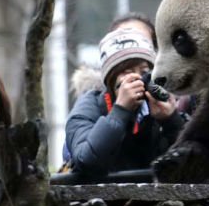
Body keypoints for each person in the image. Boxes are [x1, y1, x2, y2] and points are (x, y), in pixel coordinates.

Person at [64, 28, 187, 180]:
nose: (137, 78)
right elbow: (87, 161)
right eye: (127, 72)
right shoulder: (89, 107)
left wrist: (171, 121)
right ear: (111, 80)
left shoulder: (156, 107)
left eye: (144, 71)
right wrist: (120, 111)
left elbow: (194, 164)